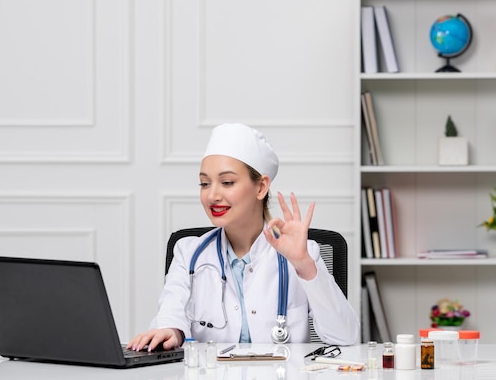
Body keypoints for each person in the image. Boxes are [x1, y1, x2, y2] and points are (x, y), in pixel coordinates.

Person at [127, 123, 359, 352]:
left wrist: (304, 265)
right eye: (204, 183)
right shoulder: (188, 252)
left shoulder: (303, 253)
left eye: (227, 182)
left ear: (261, 188)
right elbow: (171, 312)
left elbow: (345, 336)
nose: (212, 195)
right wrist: (171, 330)